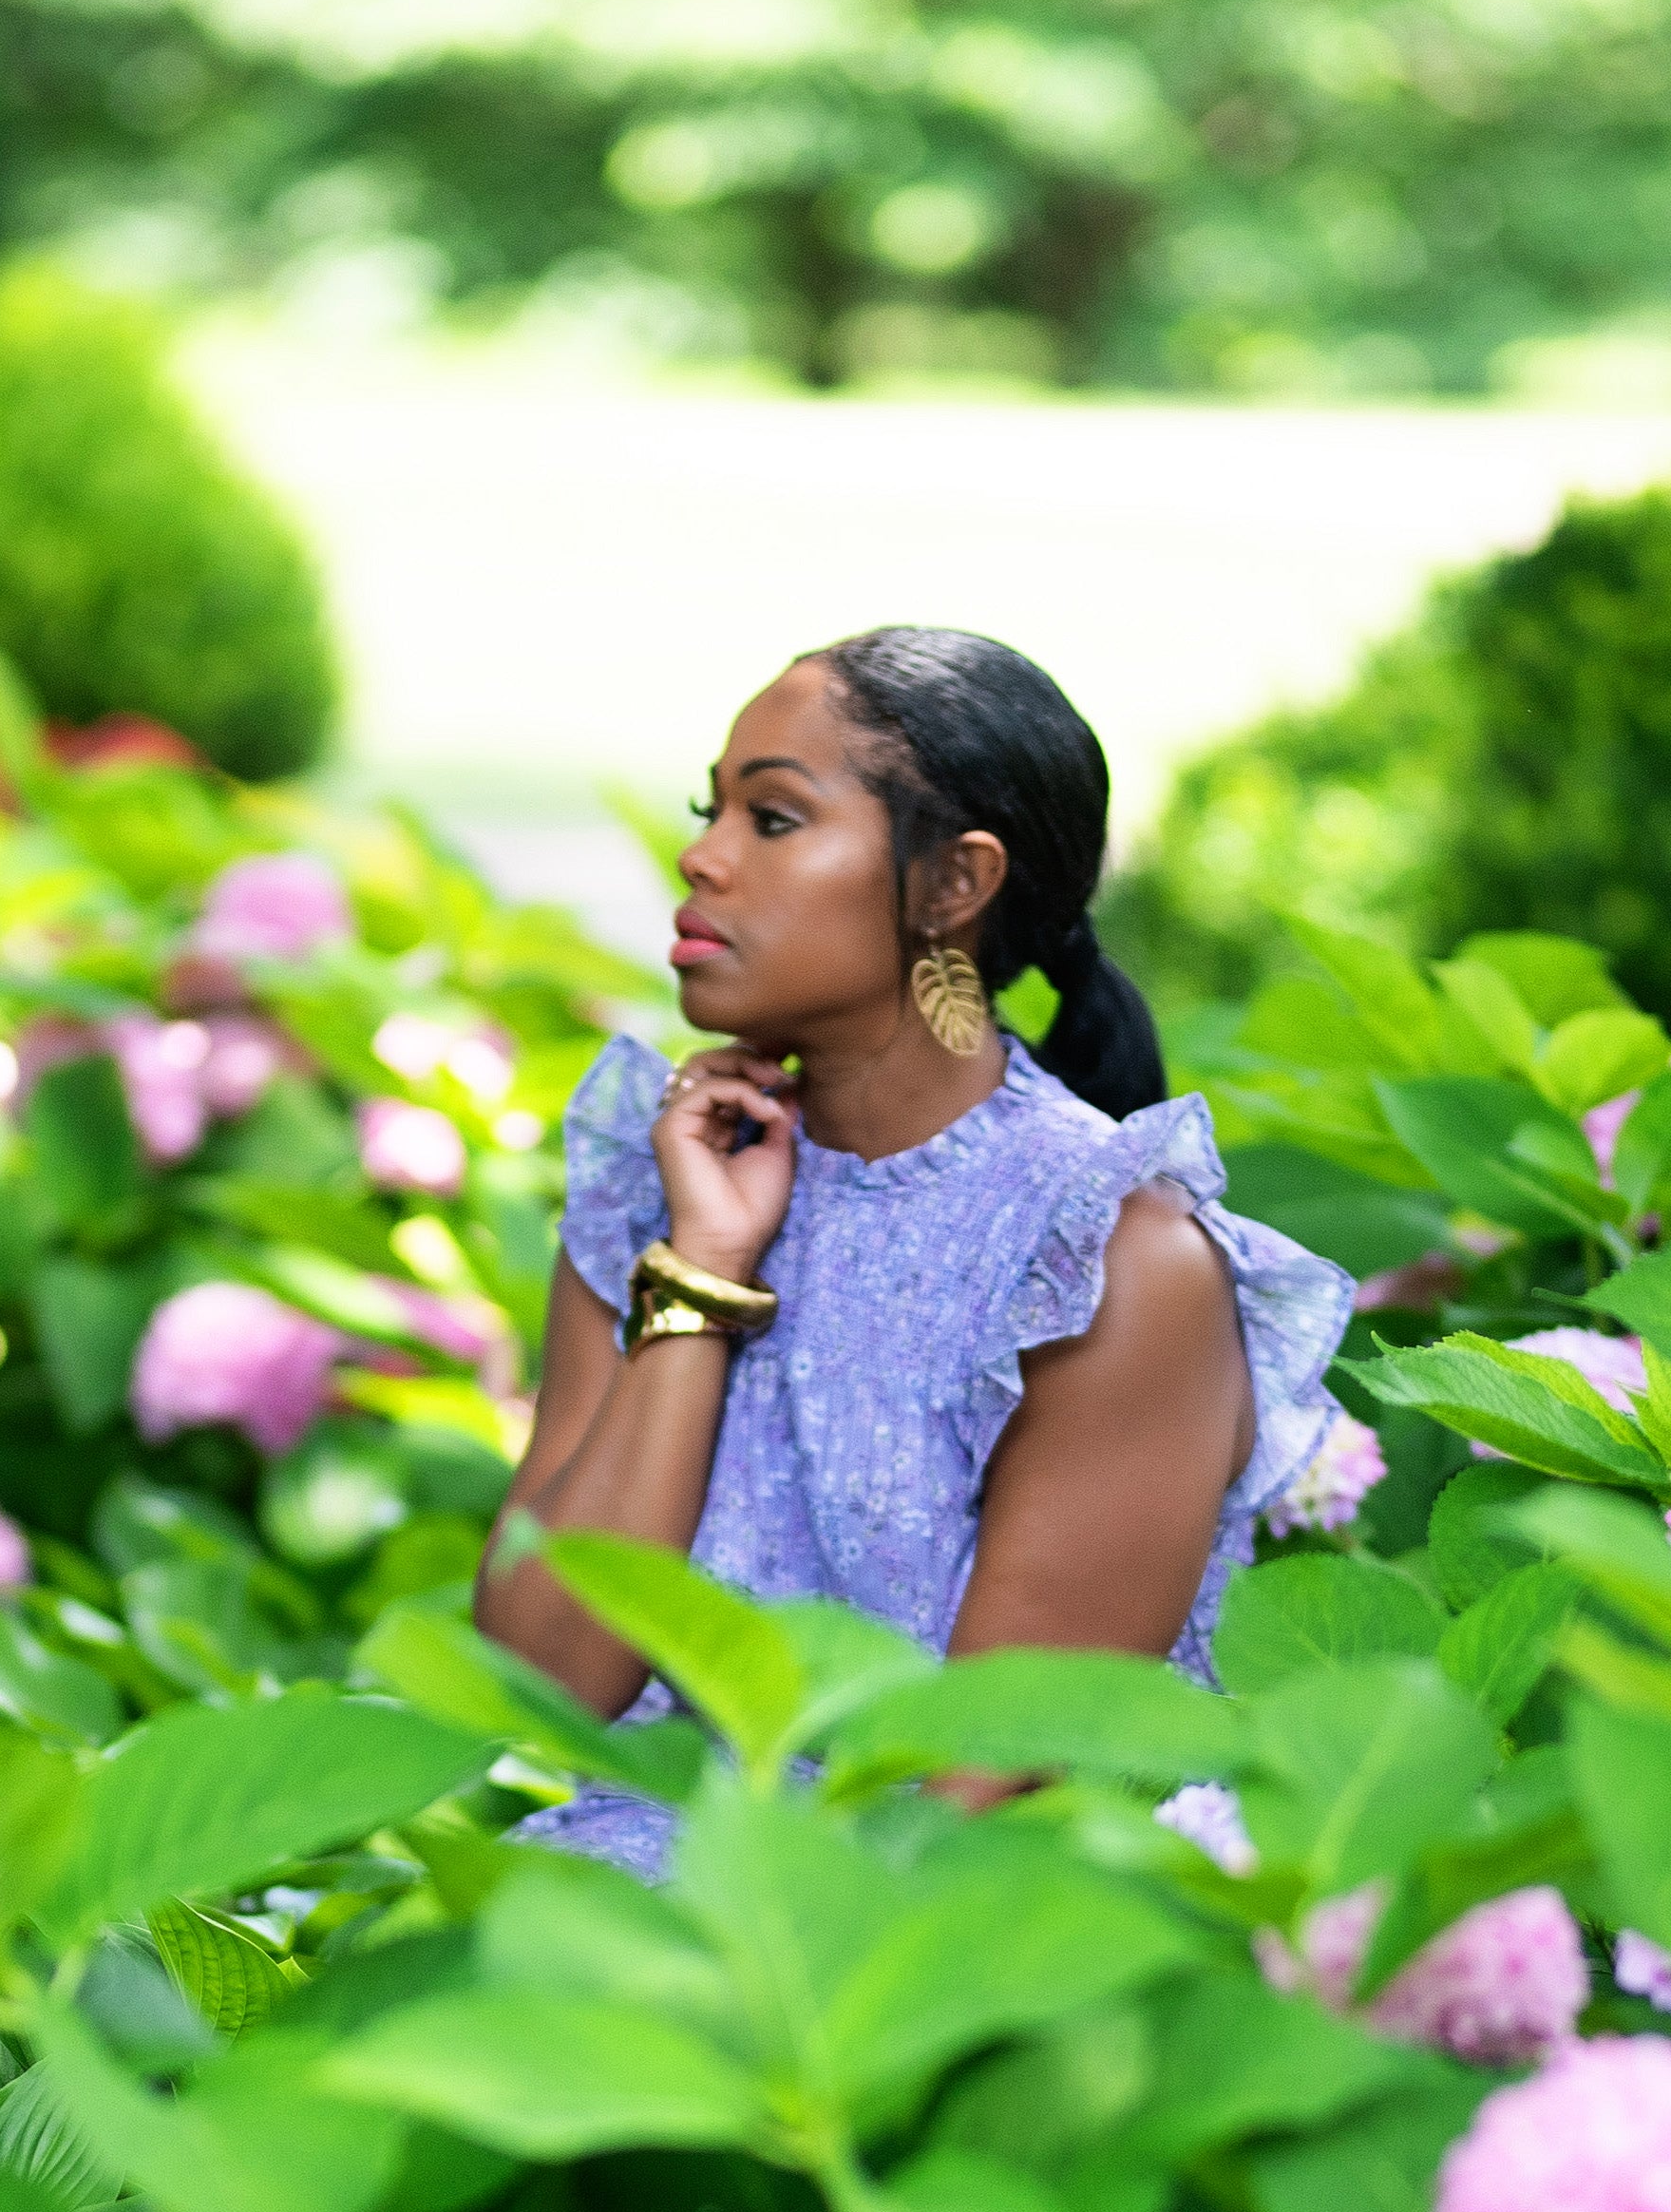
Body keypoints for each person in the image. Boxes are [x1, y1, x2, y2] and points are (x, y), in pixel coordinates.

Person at [476, 625, 1351, 1877]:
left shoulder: (1106, 1255)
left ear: (953, 883)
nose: (699, 856)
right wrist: (699, 1278)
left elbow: (983, 1784)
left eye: (772, 819)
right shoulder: (653, 1183)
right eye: (707, 808)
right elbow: (543, 1671)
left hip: (931, 1958)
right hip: (621, 1890)